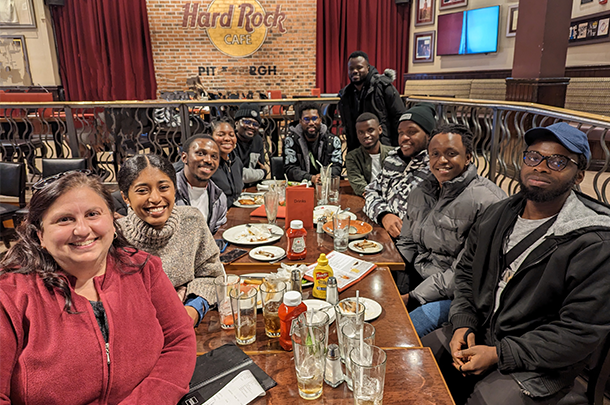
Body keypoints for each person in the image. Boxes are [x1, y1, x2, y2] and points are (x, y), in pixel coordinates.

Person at [423, 122, 610, 405]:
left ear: (579, 174)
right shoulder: (498, 214)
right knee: (416, 361)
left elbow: (578, 332)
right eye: (533, 157)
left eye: (558, 161)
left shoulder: (595, 242)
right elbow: (465, 274)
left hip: (538, 362)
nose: (541, 167)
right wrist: (463, 323)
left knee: (484, 400)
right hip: (483, 331)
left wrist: (499, 353)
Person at [0, 171, 196, 404]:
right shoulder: (10, 295)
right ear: (40, 235)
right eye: (64, 219)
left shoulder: (143, 268)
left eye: (93, 214)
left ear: (113, 222)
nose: (82, 230)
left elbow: (179, 340)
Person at [396, 124, 506, 337]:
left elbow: (466, 271)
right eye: (435, 154)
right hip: (419, 276)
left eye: (451, 153)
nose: (442, 161)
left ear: (468, 158)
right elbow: (407, 242)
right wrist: (392, 277)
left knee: (404, 331)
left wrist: (414, 296)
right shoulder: (421, 191)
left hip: (458, 295)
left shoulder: (488, 201)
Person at [117, 154, 225, 327]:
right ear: (125, 197)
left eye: (163, 187)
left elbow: (211, 275)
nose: (155, 198)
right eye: (142, 190)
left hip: (189, 326)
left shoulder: (192, 220)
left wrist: (191, 312)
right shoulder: (115, 237)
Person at [364, 103, 437, 238]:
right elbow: (371, 190)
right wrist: (384, 215)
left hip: (410, 246)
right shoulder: (393, 160)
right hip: (381, 234)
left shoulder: (435, 169)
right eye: (401, 133)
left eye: (411, 132)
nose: (403, 138)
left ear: (429, 135)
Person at [338, 50, 407, 151]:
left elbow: (399, 116)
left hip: (384, 147)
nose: (355, 71)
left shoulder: (383, 86)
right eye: (351, 68)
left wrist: (397, 148)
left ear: (368, 68)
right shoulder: (345, 94)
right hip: (357, 150)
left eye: (359, 67)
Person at [176, 134, 227, 233]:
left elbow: (215, 236)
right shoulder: (167, 192)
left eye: (214, 156)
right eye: (200, 153)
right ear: (184, 157)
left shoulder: (219, 198)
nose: (208, 160)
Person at [284, 102, 342, 183]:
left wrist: (323, 175)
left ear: (320, 120)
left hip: (326, 185)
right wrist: (311, 178)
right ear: (300, 121)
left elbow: (337, 167)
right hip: (301, 186)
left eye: (314, 118)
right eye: (306, 119)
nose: (311, 123)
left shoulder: (333, 140)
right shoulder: (291, 141)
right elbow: (290, 168)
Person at [346, 112, 394, 196]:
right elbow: (359, 186)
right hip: (367, 200)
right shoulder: (352, 157)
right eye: (361, 132)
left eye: (370, 130)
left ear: (379, 130)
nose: (366, 135)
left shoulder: (393, 154)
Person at [210, 119, 244, 207]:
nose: (227, 139)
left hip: (236, 211)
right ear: (210, 137)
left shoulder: (236, 161)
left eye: (231, 135)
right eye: (221, 135)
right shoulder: (206, 164)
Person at [234, 103, 266, 185]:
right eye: (247, 122)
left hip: (252, 190)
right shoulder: (230, 140)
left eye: (255, 124)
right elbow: (237, 174)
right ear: (236, 123)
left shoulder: (258, 140)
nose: (251, 126)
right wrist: (263, 173)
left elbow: (260, 166)